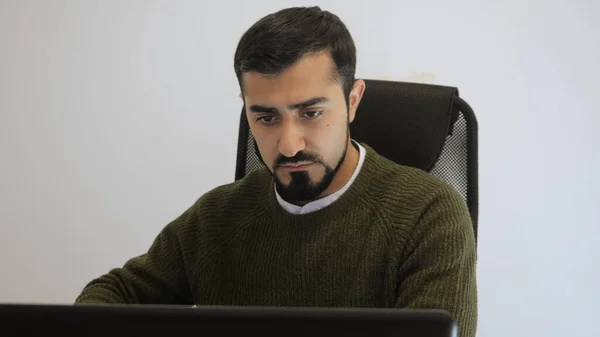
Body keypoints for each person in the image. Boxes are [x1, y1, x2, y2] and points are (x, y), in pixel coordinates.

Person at [75, 6, 477, 337]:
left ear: (353, 101)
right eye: (266, 117)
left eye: (312, 113)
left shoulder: (430, 215)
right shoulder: (217, 217)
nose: (289, 145)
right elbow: (111, 295)